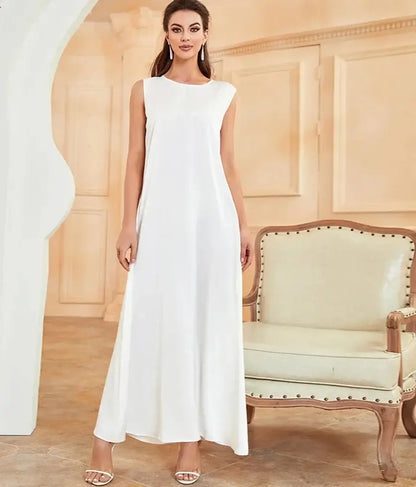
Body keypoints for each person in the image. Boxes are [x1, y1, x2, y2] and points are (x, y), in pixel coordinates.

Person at [84, 0, 253, 485]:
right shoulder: (147, 91)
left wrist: (242, 225)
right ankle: (104, 437)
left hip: (211, 224)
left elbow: (229, 164)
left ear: (205, 34)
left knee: (200, 326)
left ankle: (189, 443)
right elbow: (134, 161)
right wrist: (127, 224)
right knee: (143, 323)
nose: (185, 36)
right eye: (176, 28)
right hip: (157, 223)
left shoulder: (224, 93)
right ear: (165, 34)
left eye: (193, 28)